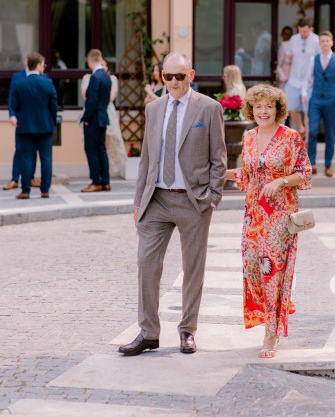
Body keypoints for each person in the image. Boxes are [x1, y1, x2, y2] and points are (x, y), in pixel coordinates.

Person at [118, 52, 227, 357]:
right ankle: (149, 333)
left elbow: (218, 159)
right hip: (157, 200)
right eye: (169, 77)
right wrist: (138, 201)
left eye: (180, 76)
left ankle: (187, 331)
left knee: (193, 269)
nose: (175, 82)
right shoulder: (153, 109)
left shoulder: (209, 108)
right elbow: (147, 160)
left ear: (191, 74)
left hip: (193, 201)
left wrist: (212, 200)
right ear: (161, 77)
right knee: (146, 265)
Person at [225, 84, 311, 359]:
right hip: (253, 213)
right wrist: (218, 173)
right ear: (252, 109)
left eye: (269, 106)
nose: (263, 111)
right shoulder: (248, 137)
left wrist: (281, 181)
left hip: (280, 215)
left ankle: (271, 332)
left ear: (278, 109)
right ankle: (278, 305)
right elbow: (249, 175)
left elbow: (305, 172)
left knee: (271, 271)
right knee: (251, 267)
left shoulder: (290, 137)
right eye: (258, 106)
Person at [302, 31, 335, 177]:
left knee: (329, 133)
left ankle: (328, 165)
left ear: (332, 42)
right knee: (313, 131)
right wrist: (304, 93)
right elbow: (307, 79)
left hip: (331, 100)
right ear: (319, 43)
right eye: (322, 41)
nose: (324, 43)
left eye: (327, 41)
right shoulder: (313, 59)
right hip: (315, 99)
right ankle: (312, 164)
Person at [12, 52, 58, 200]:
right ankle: (45, 190)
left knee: (25, 158)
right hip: (45, 127)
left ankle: (25, 190)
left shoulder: (19, 84)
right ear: (38, 65)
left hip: (25, 127)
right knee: (46, 158)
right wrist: (51, 121)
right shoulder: (47, 83)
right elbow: (54, 106)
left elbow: (15, 105)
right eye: (42, 64)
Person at [81, 59, 126, 178]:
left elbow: (96, 99)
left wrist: (86, 118)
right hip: (100, 114)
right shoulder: (90, 77)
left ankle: (99, 178)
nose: (103, 66)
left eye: (105, 64)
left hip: (101, 114)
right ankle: (104, 179)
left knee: (98, 147)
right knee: (100, 147)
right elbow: (86, 96)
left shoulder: (106, 78)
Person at [3, 59, 40, 191]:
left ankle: (31, 177)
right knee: (19, 149)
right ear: (26, 62)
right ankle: (14, 179)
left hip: (36, 120)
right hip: (21, 119)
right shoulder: (17, 76)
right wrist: (12, 115)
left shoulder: (40, 76)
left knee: (34, 149)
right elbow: (11, 97)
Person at [282, 17, 320, 139]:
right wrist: (286, 75)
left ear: (311, 29)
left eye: (305, 31)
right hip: (293, 79)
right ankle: (301, 128)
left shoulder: (316, 40)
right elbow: (288, 58)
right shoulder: (294, 39)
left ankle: (308, 138)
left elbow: (319, 61)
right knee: (291, 107)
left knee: (308, 111)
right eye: (300, 31)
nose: (302, 34)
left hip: (309, 82)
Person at [80, 49, 112, 193]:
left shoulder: (95, 77)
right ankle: (106, 182)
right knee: (102, 150)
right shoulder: (106, 77)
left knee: (91, 150)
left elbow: (91, 101)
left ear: (89, 61)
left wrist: (85, 118)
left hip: (93, 120)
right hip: (103, 117)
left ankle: (96, 182)